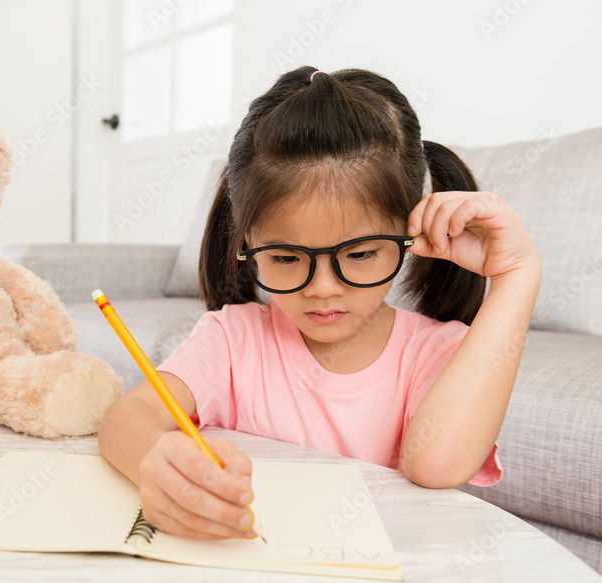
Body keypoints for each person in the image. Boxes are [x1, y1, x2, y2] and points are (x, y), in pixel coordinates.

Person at [97, 66, 541, 541]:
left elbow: (437, 465)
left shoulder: (438, 352)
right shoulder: (232, 339)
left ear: (410, 234)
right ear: (248, 241)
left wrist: (517, 275)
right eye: (287, 257)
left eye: (360, 254)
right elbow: (125, 418)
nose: (324, 288)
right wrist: (154, 461)